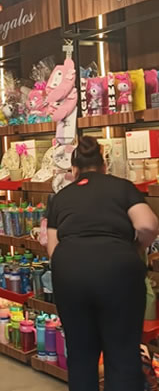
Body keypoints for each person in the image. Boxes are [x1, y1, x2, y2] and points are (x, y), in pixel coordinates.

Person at [47, 136, 159, 391]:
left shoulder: (61, 197)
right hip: (118, 271)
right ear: (104, 166)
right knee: (122, 353)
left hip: (70, 274)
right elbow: (147, 224)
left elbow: (53, 249)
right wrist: (136, 248)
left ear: (74, 170)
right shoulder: (123, 188)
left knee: (81, 354)